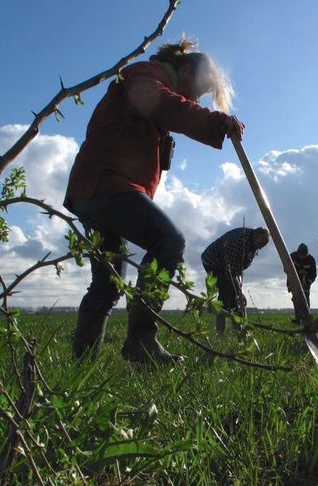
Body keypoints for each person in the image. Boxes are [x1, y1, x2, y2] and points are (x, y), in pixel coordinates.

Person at [64, 38, 245, 363]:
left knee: (107, 281)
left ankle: (81, 366)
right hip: (105, 184)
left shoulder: (152, 84)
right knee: (167, 242)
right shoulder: (145, 76)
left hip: (93, 188)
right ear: (185, 69)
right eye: (199, 90)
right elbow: (163, 103)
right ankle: (141, 340)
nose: (194, 98)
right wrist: (212, 121)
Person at [201, 227, 270, 335]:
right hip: (213, 261)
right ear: (257, 235)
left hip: (227, 266)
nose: (262, 247)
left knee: (235, 298)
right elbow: (229, 271)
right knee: (225, 294)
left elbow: (237, 270)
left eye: (265, 244)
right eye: (262, 243)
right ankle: (221, 332)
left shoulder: (252, 242)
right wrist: (239, 292)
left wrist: (238, 292)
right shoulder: (239, 243)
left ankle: (239, 330)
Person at [288, 243, 316, 320]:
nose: (303, 258)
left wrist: (308, 282)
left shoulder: (311, 260)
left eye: (304, 256)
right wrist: (290, 285)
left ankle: (307, 318)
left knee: (306, 300)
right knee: (296, 300)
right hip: (293, 282)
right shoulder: (292, 257)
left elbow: (313, 274)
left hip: (305, 284)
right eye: (301, 256)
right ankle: (298, 319)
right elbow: (286, 269)